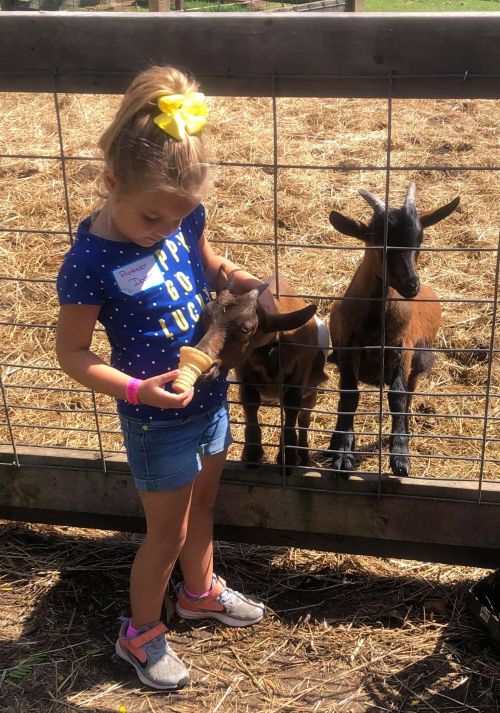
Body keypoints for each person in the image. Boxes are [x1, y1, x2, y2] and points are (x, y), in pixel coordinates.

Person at [56, 65, 267, 691]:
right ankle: (140, 632)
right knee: (166, 529)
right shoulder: (92, 261)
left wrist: (248, 282)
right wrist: (132, 388)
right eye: (153, 218)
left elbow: (211, 266)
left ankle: (199, 592)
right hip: (155, 419)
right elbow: (71, 353)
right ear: (111, 180)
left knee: (204, 502)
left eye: (181, 218)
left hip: (208, 398)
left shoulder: (181, 218)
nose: (167, 230)